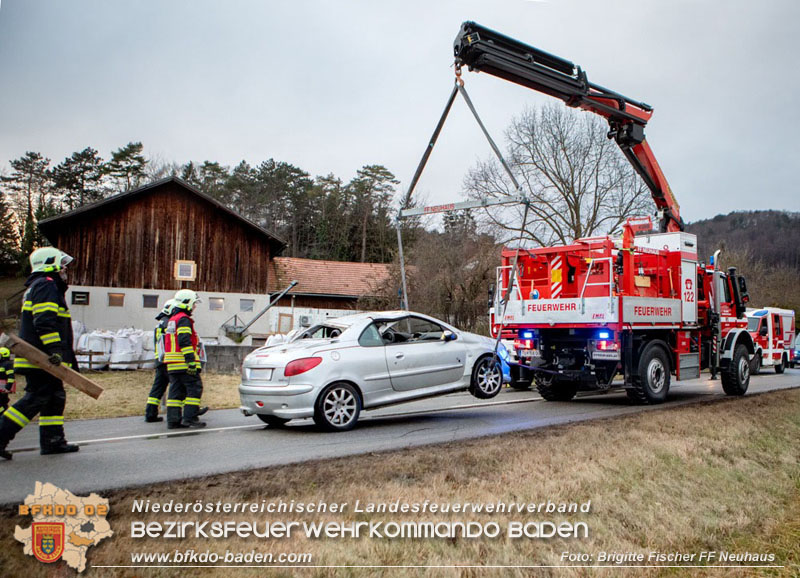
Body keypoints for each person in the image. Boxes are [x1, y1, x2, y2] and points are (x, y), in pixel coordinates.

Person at [0, 247, 79, 460]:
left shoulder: (41, 286)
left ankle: (53, 441)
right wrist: (55, 350)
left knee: (54, 397)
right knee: (35, 398)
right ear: (50, 263)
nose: (65, 269)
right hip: (42, 358)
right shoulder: (46, 284)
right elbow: (44, 321)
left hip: (43, 357)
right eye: (62, 264)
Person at [163, 289, 206, 429]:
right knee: (194, 389)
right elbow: (184, 340)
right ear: (187, 302)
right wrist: (191, 362)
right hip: (183, 363)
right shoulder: (183, 319)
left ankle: (173, 420)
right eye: (194, 304)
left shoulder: (172, 320)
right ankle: (190, 418)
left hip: (172, 364)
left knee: (176, 392)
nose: (194, 307)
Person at [143, 299, 174, 423]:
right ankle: (186, 412)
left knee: (158, 388)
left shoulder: (161, 323)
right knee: (179, 386)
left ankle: (150, 414)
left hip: (160, 361)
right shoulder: (169, 323)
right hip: (168, 360)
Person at [0, 346, 14, 416]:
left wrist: (7, 387)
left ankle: (4, 415)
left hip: (4, 388)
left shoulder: (8, 364)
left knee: (2, 403)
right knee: (3, 404)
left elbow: (11, 376)